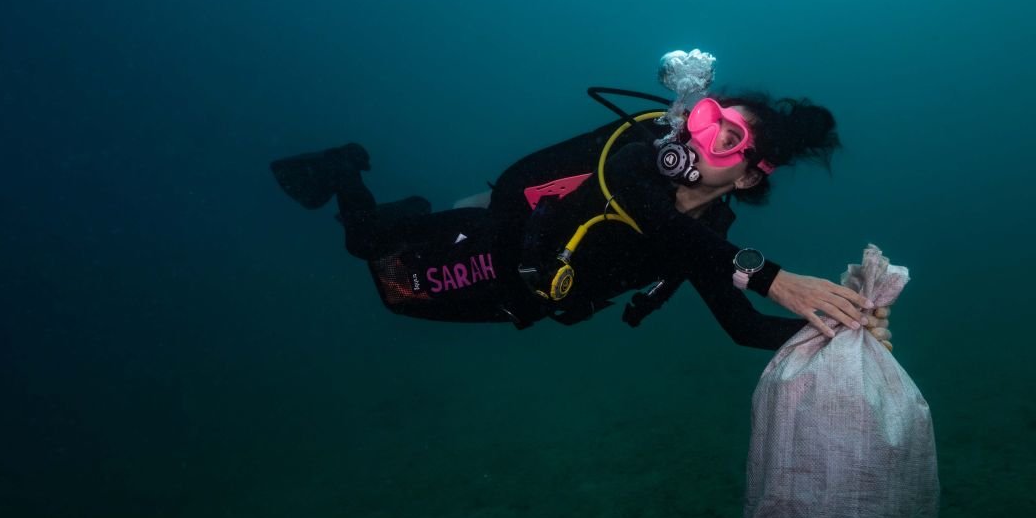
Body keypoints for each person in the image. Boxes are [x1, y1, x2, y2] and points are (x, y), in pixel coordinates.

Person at [271, 84, 892, 352]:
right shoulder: (636, 161)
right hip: (491, 244)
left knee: (395, 296)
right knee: (371, 255)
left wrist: (839, 334)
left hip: (522, 300)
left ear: (753, 173)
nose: (695, 136)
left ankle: (411, 213)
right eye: (704, 118)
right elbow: (654, 216)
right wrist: (776, 278)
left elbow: (745, 328)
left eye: (724, 139)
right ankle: (347, 171)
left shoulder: (709, 239)